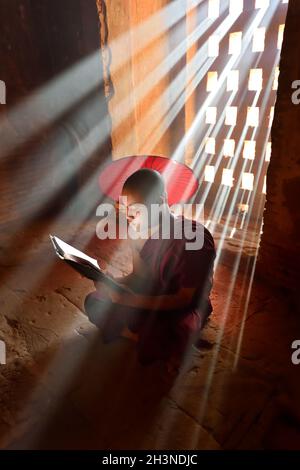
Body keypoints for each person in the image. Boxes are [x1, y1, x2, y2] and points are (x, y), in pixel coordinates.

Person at [85, 169, 215, 374]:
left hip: (182, 304)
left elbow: (184, 298)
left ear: (162, 199)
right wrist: (112, 281)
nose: (131, 219)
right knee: (95, 301)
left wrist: (125, 300)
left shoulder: (193, 239)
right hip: (152, 293)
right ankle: (143, 336)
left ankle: (145, 336)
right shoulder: (138, 231)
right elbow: (139, 276)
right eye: (127, 212)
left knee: (170, 329)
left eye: (137, 212)